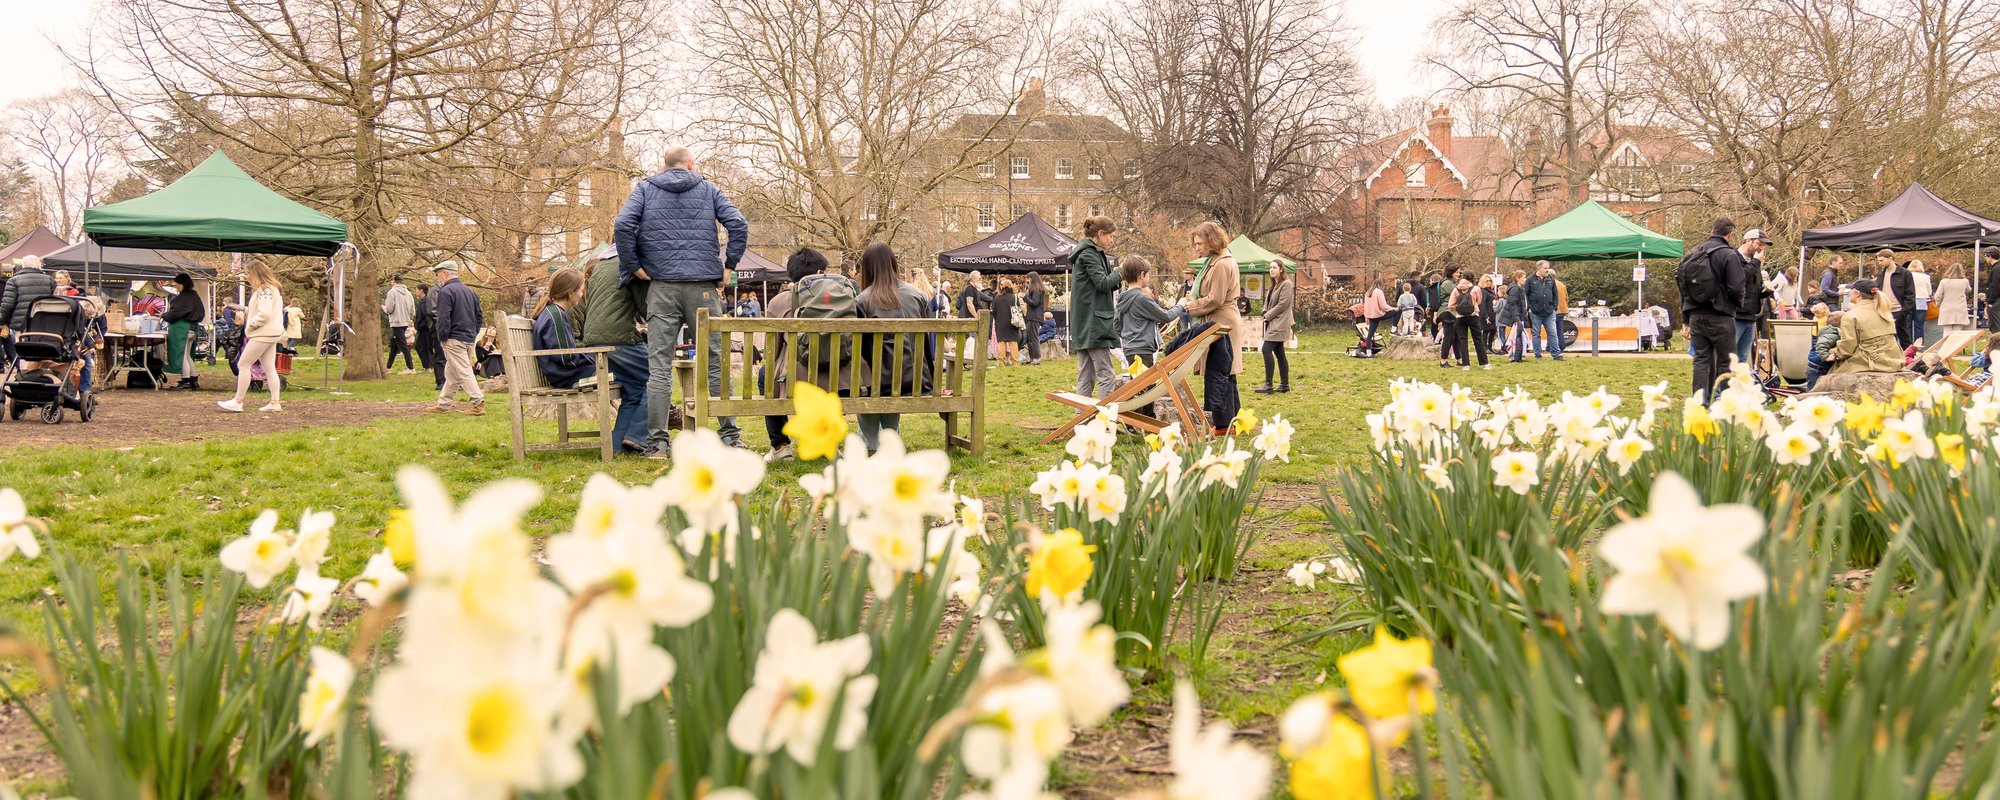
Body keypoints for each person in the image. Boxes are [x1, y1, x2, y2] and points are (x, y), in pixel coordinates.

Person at [613, 145, 751, 458]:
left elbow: (623, 225)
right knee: (715, 361)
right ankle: (730, 436)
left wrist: (634, 266)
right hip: (702, 287)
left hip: (662, 287)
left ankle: (658, 444)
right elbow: (738, 224)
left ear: (665, 166)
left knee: (659, 366)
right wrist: (728, 266)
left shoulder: (646, 189)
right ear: (690, 165)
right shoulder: (708, 188)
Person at [759, 247, 837, 462]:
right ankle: (826, 441)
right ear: (821, 272)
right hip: (842, 377)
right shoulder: (840, 296)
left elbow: (772, 351)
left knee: (767, 374)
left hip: (797, 379)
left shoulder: (778, 302)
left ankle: (781, 445)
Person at [853, 243, 931, 452]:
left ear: (867, 268)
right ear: (894, 263)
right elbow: (926, 343)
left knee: (869, 379)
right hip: (917, 380)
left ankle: (871, 443)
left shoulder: (862, 300)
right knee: (886, 373)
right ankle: (888, 440)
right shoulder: (919, 296)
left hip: (880, 382)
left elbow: (859, 349)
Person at [578, 247, 651, 454]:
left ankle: (619, 446)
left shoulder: (602, 264)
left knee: (634, 391)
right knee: (658, 375)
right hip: (618, 338)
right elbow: (646, 307)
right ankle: (638, 436)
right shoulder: (632, 263)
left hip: (594, 338)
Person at [1181, 221, 1244, 434]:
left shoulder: (1222, 263)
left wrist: (1193, 306)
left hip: (1221, 320)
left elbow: (1215, 299)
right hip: (1219, 320)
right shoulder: (1215, 260)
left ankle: (1224, 424)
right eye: (1195, 244)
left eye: (1200, 243)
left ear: (1212, 240)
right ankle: (1233, 421)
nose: (1197, 247)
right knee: (1226, 372)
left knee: (1219, 372)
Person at [1682, 217, 1748, 401]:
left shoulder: (1693, 253)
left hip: (1696, 314)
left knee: (1701, 360)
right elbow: (1736, 288)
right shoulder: (1729, 254)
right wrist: (1736, 305)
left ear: (1713, 230)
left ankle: (1700, 403)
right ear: (1730, 234)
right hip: (1721, 315)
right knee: (1727, 361)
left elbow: (1683, 287)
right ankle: (1725, 403)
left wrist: (1685, 318)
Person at [219, 261, 286, 413]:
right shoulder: (271, 289)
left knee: (243, 365)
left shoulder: (264, 290)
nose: (247, 277)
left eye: (248, 273)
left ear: (255, 273)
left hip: (262, 333)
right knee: (269, 368)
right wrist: (244, 309)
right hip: (272, 333)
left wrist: (251, 325)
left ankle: (238, 401)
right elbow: (263, 310)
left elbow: (264, 313)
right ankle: (275, 402)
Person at [1070, 216, 1123, 399]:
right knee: (1106, 375)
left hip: (1085, 323)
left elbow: (1102, 284)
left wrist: (1115, 277)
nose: (1112, 240)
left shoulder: (1087, 253)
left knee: (1086, 375)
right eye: (1110, 236)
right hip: (1094, 324)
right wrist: (1121, 272)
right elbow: (1102, 283)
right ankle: (1103, 421)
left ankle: (1081, 421)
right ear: (1100, 234)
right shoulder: (1089, 254)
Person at [430, 260, 485, 415]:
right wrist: (473, 333)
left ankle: (478, 402)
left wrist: (442, 337)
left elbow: (443, 318)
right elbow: (479, 316)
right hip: (467, 337)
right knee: (452, 372)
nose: (437, 279)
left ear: (445, 273)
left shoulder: (446, 292)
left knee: (463, 371)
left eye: (438, 275)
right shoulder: (470, 292)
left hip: (453, 338)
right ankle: (444, 404)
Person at [529, 268, 594, 390]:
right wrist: (592, 358)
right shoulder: (556, 316)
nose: (582, 295)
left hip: (563, 374)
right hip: (567, 377)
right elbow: (567, 358)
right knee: (622, 374)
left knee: (615, 369)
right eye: (581, 291)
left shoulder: (552, 312)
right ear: (570, 293)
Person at [1827, 279, 1903, 376]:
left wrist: (1832, 353)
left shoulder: (1850, 316)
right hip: (1893, 361)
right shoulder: (1884, 312)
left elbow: (1847, 347)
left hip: (1869, 363)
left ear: (1857, 293)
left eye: (1851, 290)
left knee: (1827, 369)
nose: (1849, 293)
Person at [1, 255, 55, 357]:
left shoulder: (13, 280)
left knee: (23, 352)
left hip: (21, 323)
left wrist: (2, 321)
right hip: (44, 321)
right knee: (42, 351)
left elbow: (7, 305)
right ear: (38, 265)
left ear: (23, 265)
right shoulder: (50, 280)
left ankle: (26, 371)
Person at [162, 273, 205, 391]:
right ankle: (193, 379)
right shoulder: (194, 296)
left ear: (182, 284)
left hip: (183, 329)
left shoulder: (182, 298)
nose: (175, 286)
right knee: (188, 355)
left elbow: (175, 313)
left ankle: (185, 380)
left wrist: (164, 315)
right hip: (193, 328)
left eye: (177, 284)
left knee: (183, 355)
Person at [1258, 262, 1295, 392]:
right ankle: (1284, 385)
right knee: (1280, 353)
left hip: (1279, 322)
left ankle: (1268, 384)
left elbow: (1282, 304)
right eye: (1270, 267)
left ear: (1281, 269)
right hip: (1273, 321)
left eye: (1274, 267)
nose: (1271, 270)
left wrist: (1267, 316)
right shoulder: (1274, 285)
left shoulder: (1286, 284)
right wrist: (1264, 311)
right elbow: (1267, 301)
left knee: (1266, 349)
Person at [1876, 249, 1918, 349]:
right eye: (1879, 260)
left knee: (1904, 339)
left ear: (1890, 258)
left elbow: (1910, 294)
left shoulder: (1905, 273)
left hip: (1899, 311)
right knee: (1887, 339)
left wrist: (1904, 312)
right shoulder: (1881, 274)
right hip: (1884, 311)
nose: (1879, 263)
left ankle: (1909, 360)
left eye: (1881, 260)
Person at [1525, 262, 1562, 360]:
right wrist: (1529, 307)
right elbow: (1525, 294)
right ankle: (1538, 354)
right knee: (1536, 334)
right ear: (1538, 268)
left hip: (1549, 312)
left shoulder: (1551, 279)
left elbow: (1555, 294)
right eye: (1545, 268)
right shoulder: (1530, 280)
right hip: (1535, 312)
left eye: (1548, 268)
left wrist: (1554, 306)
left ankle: (1556, 354)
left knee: (1553, 333)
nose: (1547, 270)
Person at [382, 273, 417, 372]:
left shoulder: (392, 292)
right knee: (394, 344)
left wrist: (383, 307)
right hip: (405, 321)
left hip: (396, 322)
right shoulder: (408, 293)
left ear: (393, 281)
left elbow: (389, 309)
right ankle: (388, 367)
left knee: (403, 345)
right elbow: (412, 310)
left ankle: (410, 367)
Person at [1805, 309, 1842, 391]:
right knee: (1813, 390)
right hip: (1817, 368)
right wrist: (1826, 357)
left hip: (1818, 366)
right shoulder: (1832, 334)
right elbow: (1821, 345)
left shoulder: (1830, 332)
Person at [414, 284, 442, 388]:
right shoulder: (422, 301)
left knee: (424, 347)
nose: (416, 291)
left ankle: (428, 366)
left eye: (417, 289)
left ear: (421, 290)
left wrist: (422, 325)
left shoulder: (425, 301)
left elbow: (425, 314)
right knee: (420, 346)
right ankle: (428, 366)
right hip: (422, 327)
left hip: (425, 328)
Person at [1934, 263, 1974, 335]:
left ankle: (1947, 345)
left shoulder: (1944, 281)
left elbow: (1938, 295)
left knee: (1947, 330)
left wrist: (1938, 303)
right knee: (1958, 331)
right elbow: (1969, 290)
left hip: (1946, 308)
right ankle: (1956, 346)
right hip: (1960, 308)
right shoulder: (1965, 281)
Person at [992, 278, 1022, 366]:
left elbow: (994, 310)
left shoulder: (997, 297)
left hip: (1000, 322)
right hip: (1013, 322)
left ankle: (1001, 361)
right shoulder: (1014, 297)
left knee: (1001, 342)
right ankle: (1016, 361)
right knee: (1013, 342)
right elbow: (1019, 309)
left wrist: (998, 319)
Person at [1909, 260, 1938, 345]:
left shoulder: (1907, 275)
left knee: (1908, 326)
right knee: (1919, 327)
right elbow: (1929, 291)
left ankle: (1908, 346)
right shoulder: (1925, 277)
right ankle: (1919, 346)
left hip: (1908, 302)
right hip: (1921, 302)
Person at [1022, 272, 1048, 365]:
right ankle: (1031, 357)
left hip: (1035, 317)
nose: (1027, 281)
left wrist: (1025, 298)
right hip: (1031, 316)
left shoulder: (1037, 290)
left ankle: (1037, 358)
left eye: (1028, 278)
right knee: (1029, 338)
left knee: (1033, 338)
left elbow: (1034, 302)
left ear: (1032, 279)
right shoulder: (1035, 289)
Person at [1359, 277, 1390, 352]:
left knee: (1369, 335)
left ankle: (1368, 352)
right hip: (1379, 315)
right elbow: (1384, 306)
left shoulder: (1368, 292)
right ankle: (1394, 329)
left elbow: (1366, 306)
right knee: (1398, 312)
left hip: (1371, 316)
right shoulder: (1379, 292)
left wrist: (1366, 317)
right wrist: (1393, 308)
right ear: (1380, 284)